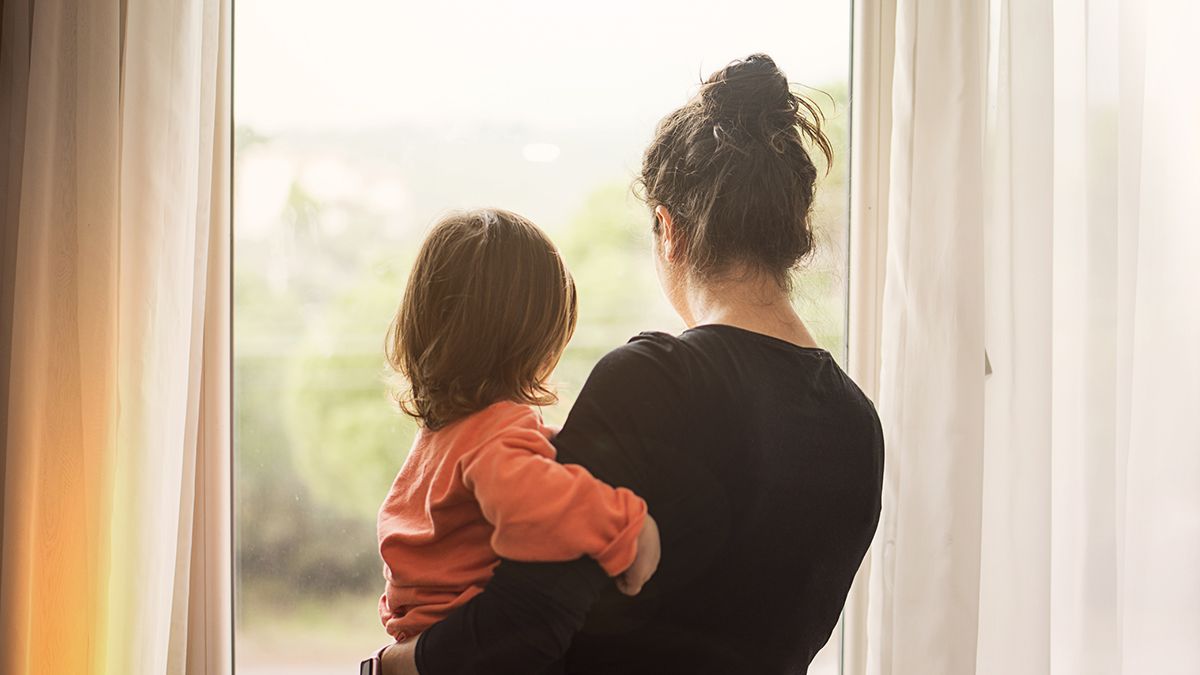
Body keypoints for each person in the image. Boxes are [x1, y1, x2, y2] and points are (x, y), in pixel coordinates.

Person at [383, 53, 884, 675]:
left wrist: (387, 665)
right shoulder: (857, 424)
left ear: (668, 230)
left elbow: (521, 631)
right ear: (790, 230)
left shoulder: (655, 380)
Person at [375, 209, 661, 645]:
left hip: (422, 639)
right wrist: (627, 528)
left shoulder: (440, 436)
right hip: (469, 645)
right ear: (534, 343)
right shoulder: (496, 434)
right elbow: (538, 508)